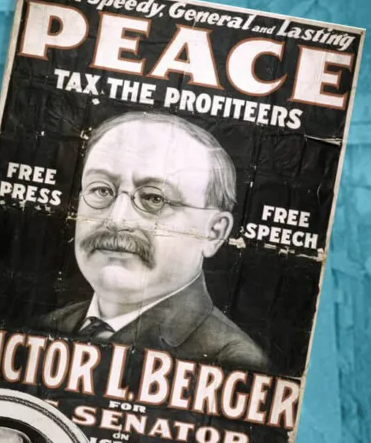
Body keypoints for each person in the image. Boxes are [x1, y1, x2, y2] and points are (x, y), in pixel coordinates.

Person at [37, 111, 270, 371]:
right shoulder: (46, 326)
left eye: (154, 198)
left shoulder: (233, 362)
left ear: (213, 232)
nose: (116, 220)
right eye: (101, 190)